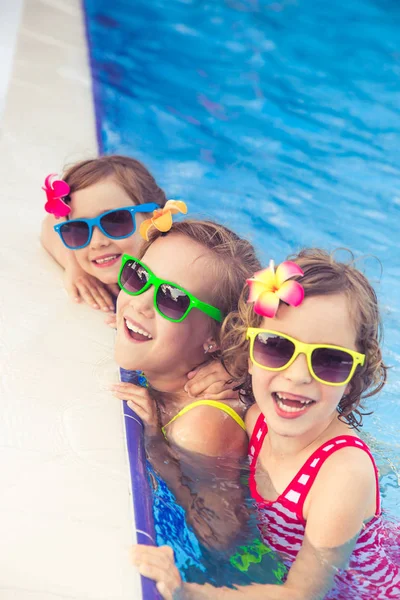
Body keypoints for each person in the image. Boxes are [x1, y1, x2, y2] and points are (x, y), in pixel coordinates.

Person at [132, 248, 400, 600]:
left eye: (330, 360)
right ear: (249, 355)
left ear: (352, 378)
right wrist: (154, 436)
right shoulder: (256, 417)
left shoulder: (343, 474)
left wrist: (188, 592)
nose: (298, 376)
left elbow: (301, 595)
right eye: (275, 347)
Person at [40, 155, 166, 312]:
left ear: (156, 219)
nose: (96, 242)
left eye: (115, 221)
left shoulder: (177, 270)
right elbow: (49, 223)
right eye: (78, 229)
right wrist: (73, 264)